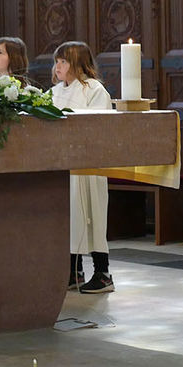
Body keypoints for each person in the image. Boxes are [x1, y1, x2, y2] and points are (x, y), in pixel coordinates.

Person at [51, 41, 114, 294]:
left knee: (93, 216)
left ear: (78, 64)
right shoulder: (54, 92)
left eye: (63, 61)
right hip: (64, 163)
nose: (58, 67)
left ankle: (103, 272)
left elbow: (98, 126)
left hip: (89, 165)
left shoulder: (94, 89)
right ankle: (73, 271)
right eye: (56, 61)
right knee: (70, 217)